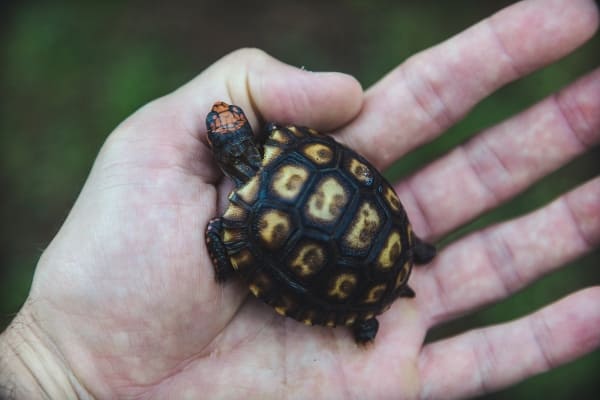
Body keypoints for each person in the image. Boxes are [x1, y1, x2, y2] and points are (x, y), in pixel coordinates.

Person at [1, 0, 599, 398]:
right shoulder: (291, 148)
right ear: (232, 144)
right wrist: (55, 367)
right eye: (225, 123)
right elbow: (340, 171)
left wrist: (53, 371)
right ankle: (397, 267)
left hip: (343, 260)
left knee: (345, 250)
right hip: (372, 237)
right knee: (360, 237)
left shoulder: (236, 220)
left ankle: (372, 302)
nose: (222, 118)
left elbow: (222, 245)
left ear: (226, 151)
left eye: (225, 122)